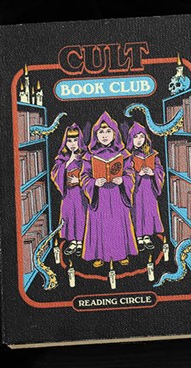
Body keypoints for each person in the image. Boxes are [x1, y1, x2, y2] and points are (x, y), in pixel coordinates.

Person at [80, 112, 138, 268]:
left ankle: (122, 253)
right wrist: (93, 182)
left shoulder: (123, 154)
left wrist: (123, 180)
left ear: (114, 134)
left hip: (118, 194)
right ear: (95, 135)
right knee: (100, 224)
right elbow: (83, 177)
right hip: (99, 197)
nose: (104, 135)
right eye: (101, 132)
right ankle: (98, 255)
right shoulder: (89, 156)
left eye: (108, 131)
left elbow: (130, 173)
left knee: (118, 223)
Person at [50, 123, 88, 257]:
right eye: (69, 140)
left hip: (81, 193)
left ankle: (80, 242)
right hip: (68, 194)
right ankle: (73, 242)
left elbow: (91, 174)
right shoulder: (62, 157)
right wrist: (67, 163)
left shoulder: (85, 157)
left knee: (81, 216)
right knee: (70, 216)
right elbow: (55, 174)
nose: (72, 144)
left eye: (75, 140)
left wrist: (80, 180)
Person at [126, 122, 165, 252]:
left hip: (149, 188)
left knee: (148, 210)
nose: (139, 140)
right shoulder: (128, 155)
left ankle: (147, 235)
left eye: (141, 137)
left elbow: (159, 169)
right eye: (136, 137)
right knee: (137, 211)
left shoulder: (152, 153)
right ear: (131, 138)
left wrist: (153, 172)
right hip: (136, 189)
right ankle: (138, 236)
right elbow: (126, 172)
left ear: (146, 138)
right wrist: (138, 175)